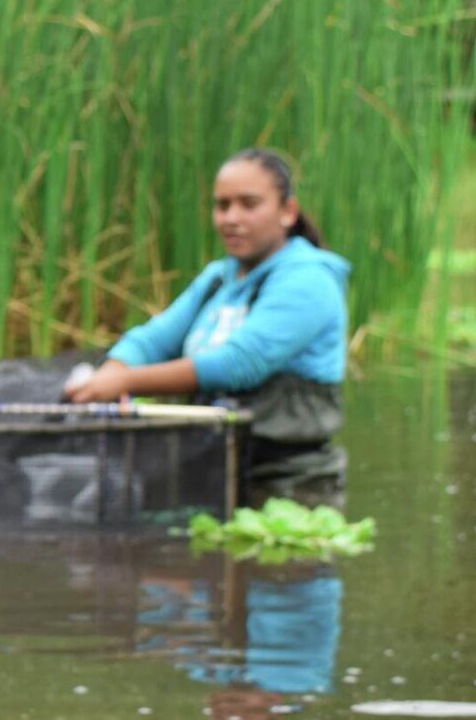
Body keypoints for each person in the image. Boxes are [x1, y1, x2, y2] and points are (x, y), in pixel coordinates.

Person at [67, 148, 352, 489]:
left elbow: (239, 363)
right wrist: (114, 369)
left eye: (249, 204)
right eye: (222, 205)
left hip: (289, 480)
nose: (231, 218)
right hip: (214, 470)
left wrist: (126, 383)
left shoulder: (309, 281)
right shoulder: (218, 278)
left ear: (288, 212)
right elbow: (155, 339)